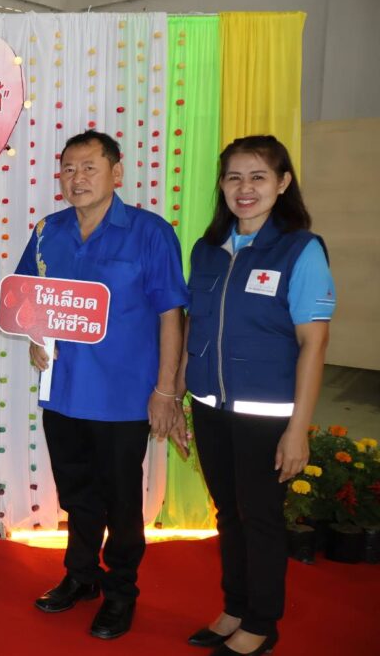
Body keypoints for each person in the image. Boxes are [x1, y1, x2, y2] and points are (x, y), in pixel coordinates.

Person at [15, 130, 188, 639]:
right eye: (68, 168)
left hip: (123, 397)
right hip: (62, 391)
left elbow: (171, 315)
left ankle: (121, 592)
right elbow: (27, 297)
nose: (77, 178)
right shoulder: (48, 231)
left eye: (89, 167)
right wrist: (35, 335)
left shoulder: (150, 233)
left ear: (117, 172)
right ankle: (80, 575)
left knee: (122, 501)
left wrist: (166, 392)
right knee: (76, 493)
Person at [173, 135, 334, 656]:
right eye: (234, 177)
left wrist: (298, 430)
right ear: (221, 185)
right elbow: (194, 325)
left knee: (260, 517)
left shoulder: (300, 249)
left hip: (267, 416)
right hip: (210, 408)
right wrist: (175, 395)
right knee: (228, 512)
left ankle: (262, 623)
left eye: (258, 177)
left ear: (282, 183)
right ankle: (235, 607)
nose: (245, 188)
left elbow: (314, 343)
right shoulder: (207, 249)